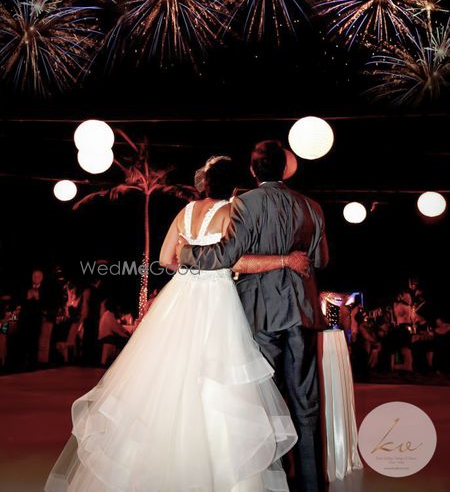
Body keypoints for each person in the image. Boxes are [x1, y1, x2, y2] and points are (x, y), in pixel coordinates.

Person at [45, 155, 309, 492]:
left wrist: (190, 258)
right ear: (232, 186)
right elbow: (235, 259)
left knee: (167, 374)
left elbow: (165, 259)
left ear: (204, 183)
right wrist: (281, 261)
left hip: (181, 296)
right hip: (216, 300)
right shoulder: (232, 212)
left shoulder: (183, 213)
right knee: (218, 380)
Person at [179, 141, 329, 492]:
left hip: (260, 313)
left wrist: (188, 253)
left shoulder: (245, 203)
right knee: (306, 405)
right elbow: (320, 261)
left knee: (265, 402)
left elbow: (228, 255)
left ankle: (275, 480)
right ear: (286, 169)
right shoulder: (313, 207)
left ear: (252, 170)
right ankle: (311, 484)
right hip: (302, 314)